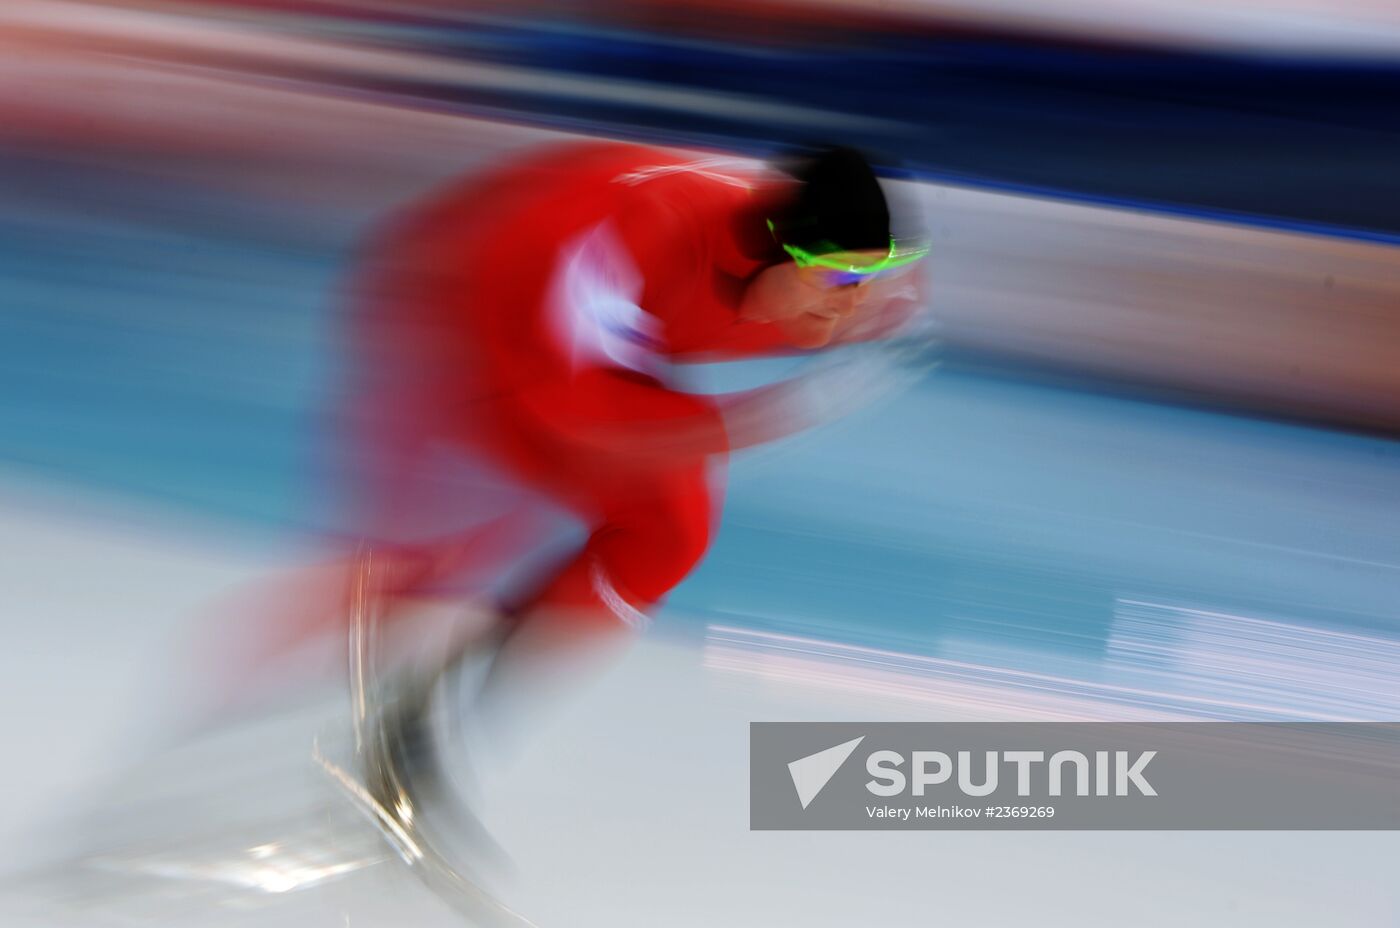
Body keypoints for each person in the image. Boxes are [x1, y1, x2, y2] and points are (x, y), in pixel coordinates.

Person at [224, 140, 930, 906]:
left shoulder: (856, 297)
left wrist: (856, 292)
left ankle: (412, 740)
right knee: (444, 550)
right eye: (840, 278)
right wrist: (764, 418)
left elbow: (866, 291)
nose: (856, 300)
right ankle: (242, 760)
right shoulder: (643, 232)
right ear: (771, 252)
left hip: (589, 340)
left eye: (875, 274)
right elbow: (576, 424)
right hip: (462, 303)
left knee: (669, 532)